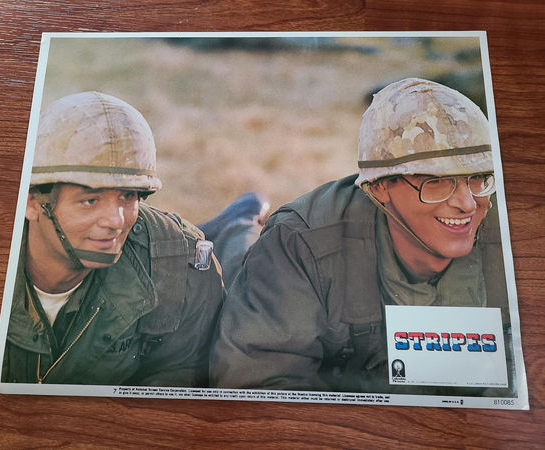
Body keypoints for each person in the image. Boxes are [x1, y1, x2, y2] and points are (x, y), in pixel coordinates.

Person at [210, 78, 513, 394]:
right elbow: (260, 380)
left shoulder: (510, 235)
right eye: (436, 182)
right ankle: (238, 224)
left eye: (479, 178)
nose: (467, 203)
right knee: (247, 271)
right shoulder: (301, 243)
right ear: (379, 188)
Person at [2, 91, 224, 386]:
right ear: (31, 203)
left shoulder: (183, 266)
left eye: (128, 197)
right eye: (90, 201)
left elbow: (177, 380)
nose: (116, 221)